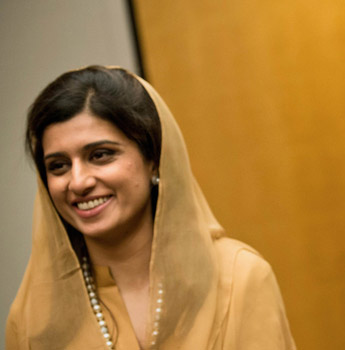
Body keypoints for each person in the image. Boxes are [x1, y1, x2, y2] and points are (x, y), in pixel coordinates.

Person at [6, 66, 296, 349]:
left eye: (100, 155)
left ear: (154, 159)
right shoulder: (33, 317)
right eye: (58, 166)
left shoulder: (239, 278)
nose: (78, 182)